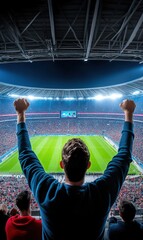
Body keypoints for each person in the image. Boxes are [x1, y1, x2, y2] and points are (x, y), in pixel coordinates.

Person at [14, 98, 136, 240]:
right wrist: (128, 113)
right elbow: (124, 156)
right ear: (88, 165)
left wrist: (20, 114)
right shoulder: (101, 193)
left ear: (62, 165)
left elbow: (25, 155)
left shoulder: (48, 191)